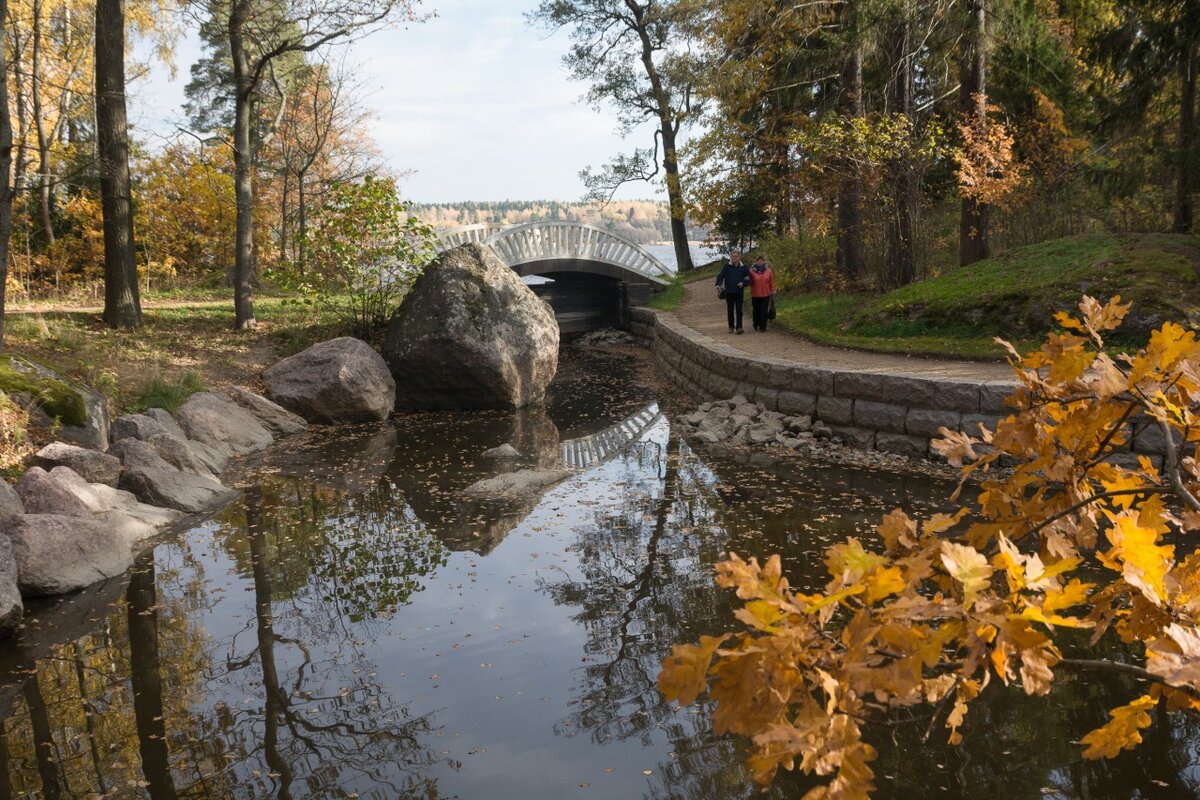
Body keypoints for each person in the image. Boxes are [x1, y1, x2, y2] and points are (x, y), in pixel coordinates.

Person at [715, 249, 751, 334]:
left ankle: (739, 327)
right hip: (729, 292)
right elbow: (721, 276)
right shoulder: (727, 267)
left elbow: (749, 277)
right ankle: (731, 327)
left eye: (736, 256)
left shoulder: (744, 267)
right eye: (732, 256)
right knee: (730, 310)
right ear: (730, 257)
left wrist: (743, 283)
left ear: (739, 257)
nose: (734, 258)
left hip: (739, 292)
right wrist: (718, 284)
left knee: (739, 310)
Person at [748, 255, 776, 332]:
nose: (759, 262)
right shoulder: (751, 271)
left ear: (763, 261)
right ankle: (756, 324)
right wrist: (749, 282)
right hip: (755, 294)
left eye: (761, 260)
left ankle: (763, 327)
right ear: (755, 262)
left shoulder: (768, 270)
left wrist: (772, 291)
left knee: (764, 311)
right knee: (756, 310)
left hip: (766, 294)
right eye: (758, 261)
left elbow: (771, 282)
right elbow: (748, 281)